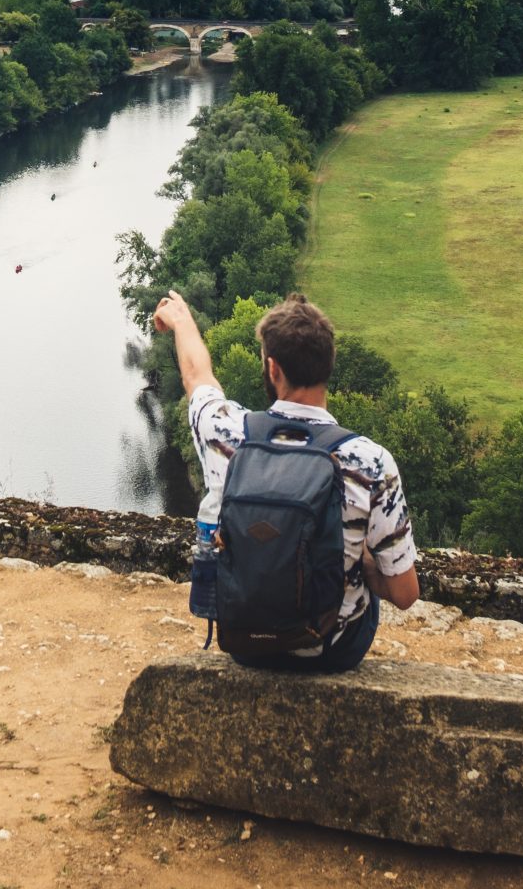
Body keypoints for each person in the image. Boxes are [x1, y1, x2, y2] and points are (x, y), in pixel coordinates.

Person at [152, 288, 419, 671]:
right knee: (361, 580)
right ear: (328, 367)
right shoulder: (371, 462)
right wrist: (359, 563)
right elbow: (405, 592)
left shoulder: (227, 434)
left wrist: (181, 319)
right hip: (332, 650)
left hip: (245, 642)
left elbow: (197, 377)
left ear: (272, 369)